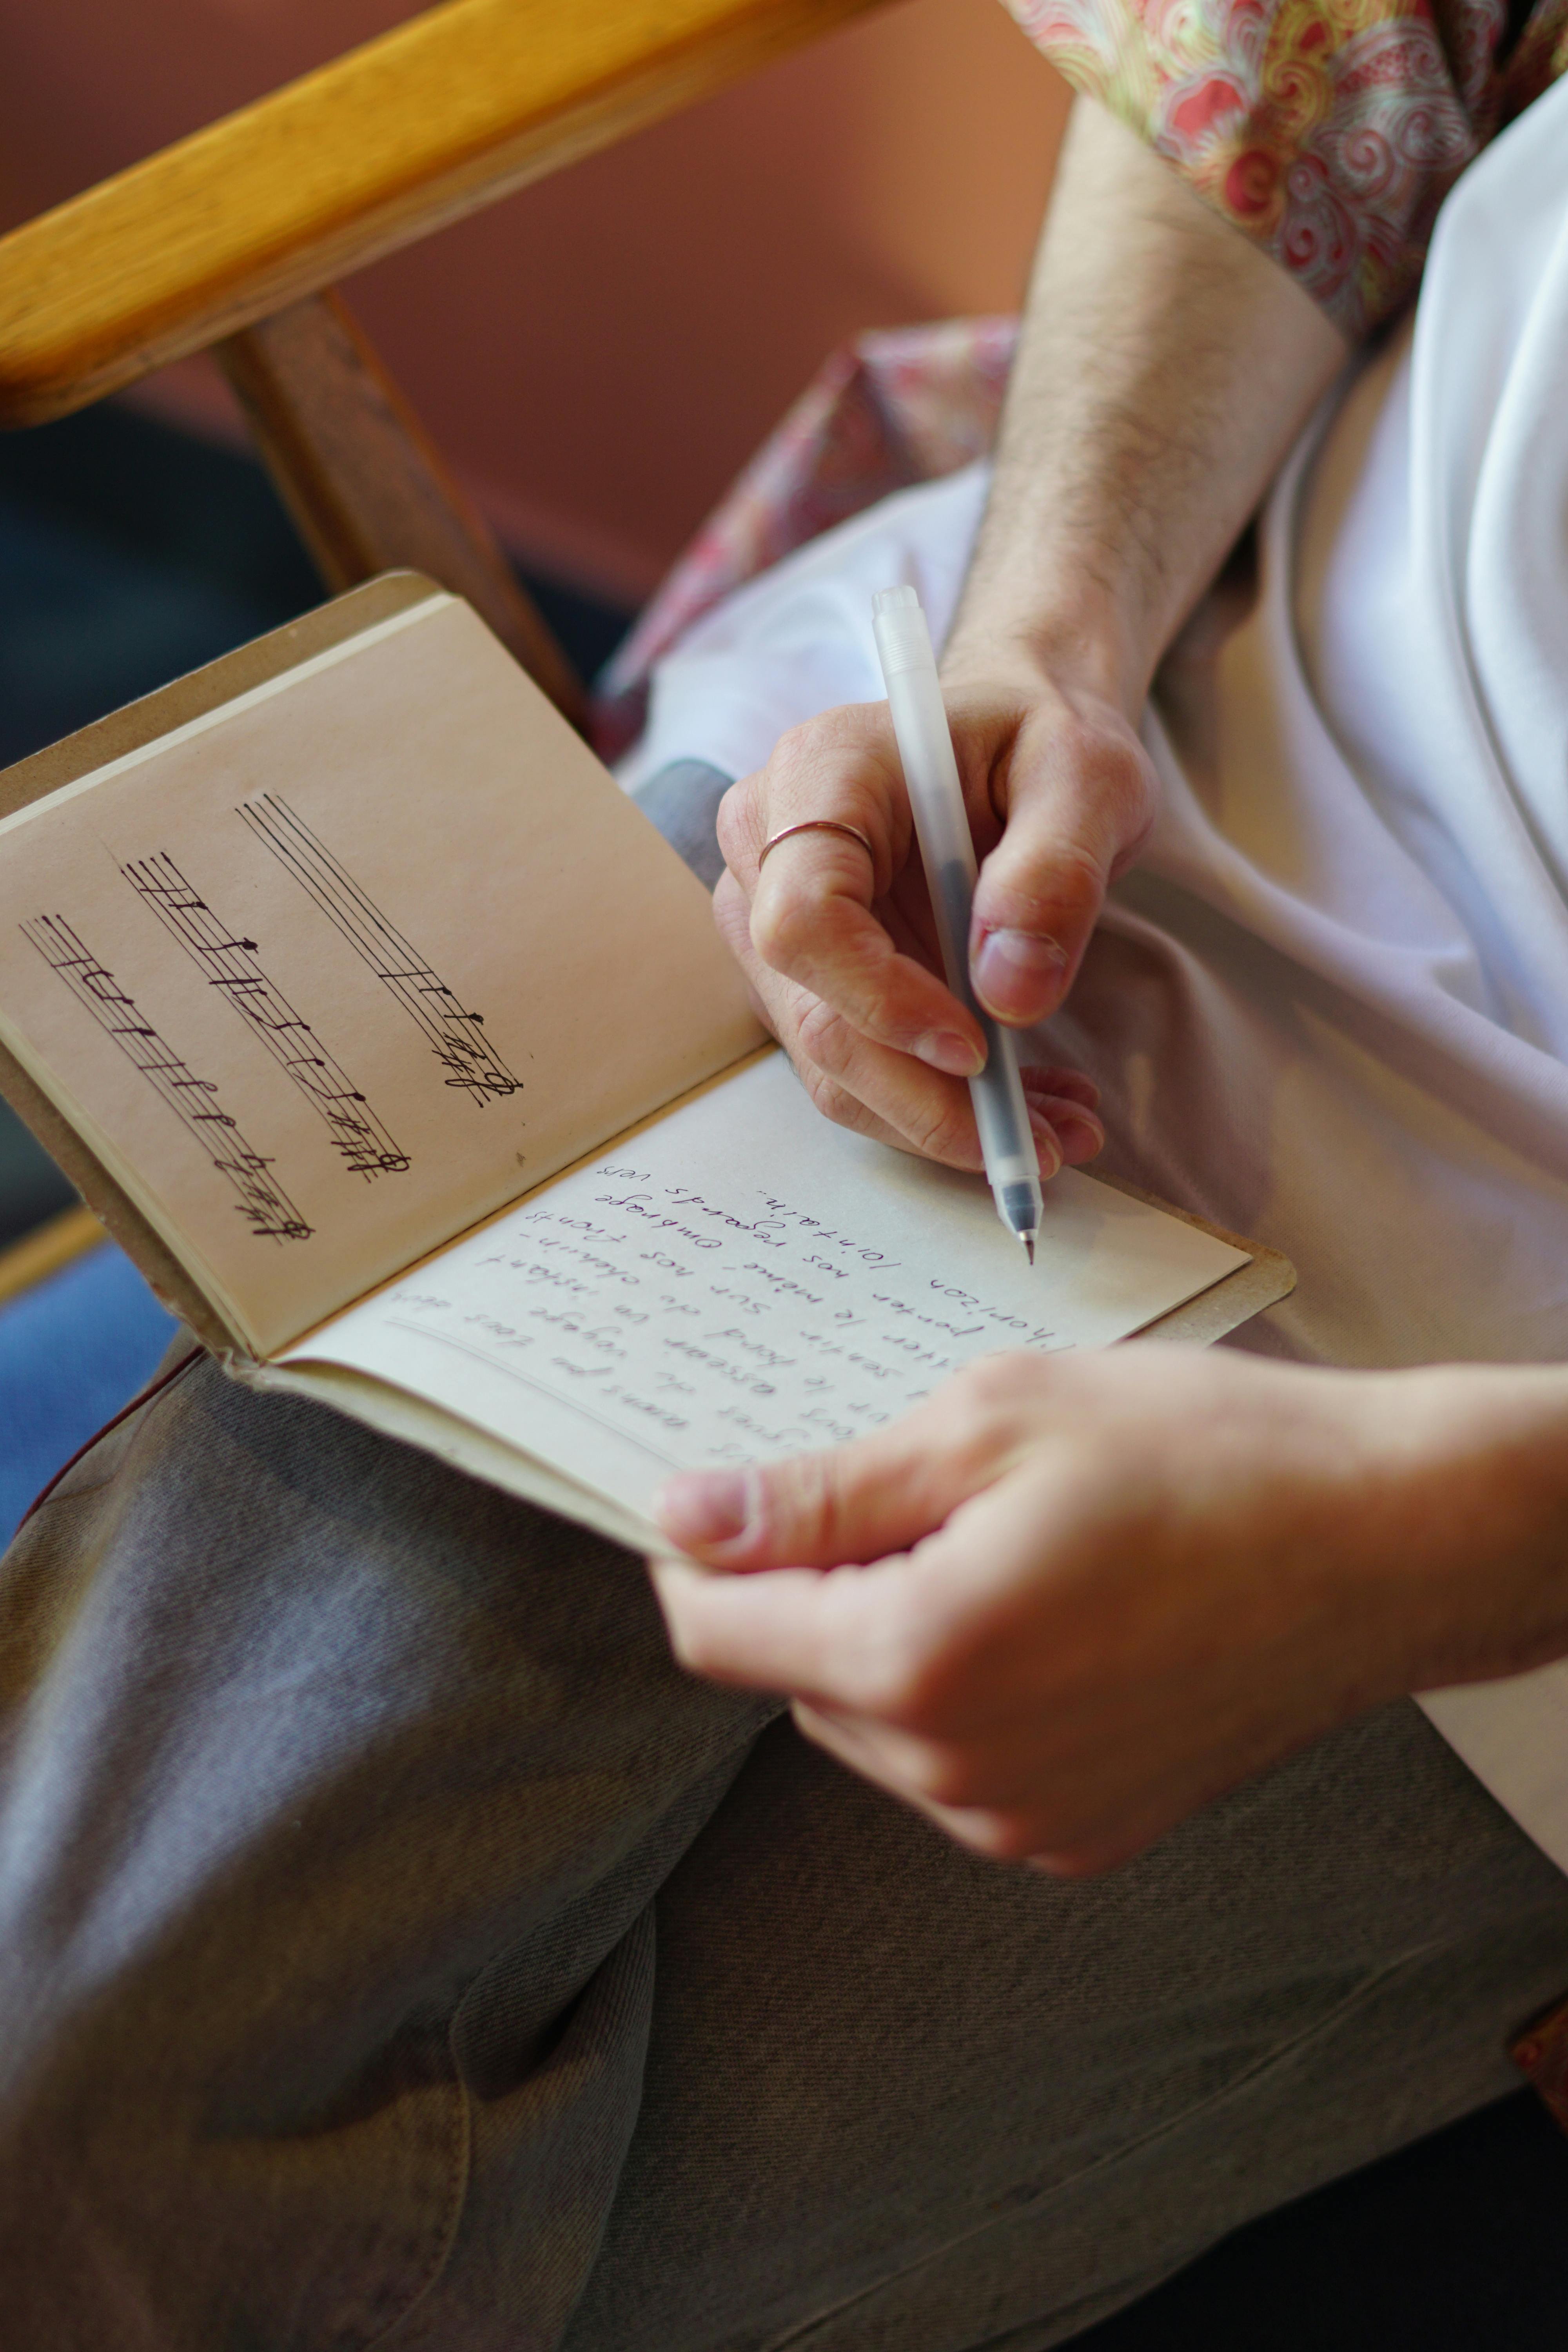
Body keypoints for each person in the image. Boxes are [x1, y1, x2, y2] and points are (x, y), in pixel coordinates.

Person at [2, 10, 1568, 2350]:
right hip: (1066, 783)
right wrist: (1056, 625)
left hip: (1478, 1482)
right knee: (53, 2071)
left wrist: (1436, 1544)